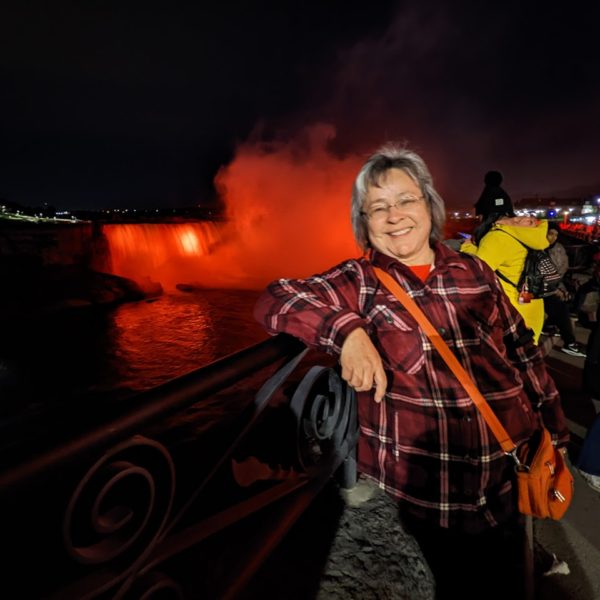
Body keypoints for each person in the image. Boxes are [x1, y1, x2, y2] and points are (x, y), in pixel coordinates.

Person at [254, 144, 568, 599]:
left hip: (508, 470)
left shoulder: (474, 270)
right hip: (434, 495)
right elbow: (275, 298)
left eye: (406, 200)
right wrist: (346, 331)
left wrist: (554, 433)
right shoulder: (359, 281)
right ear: (364, 223)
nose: (394, 215)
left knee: (510, 576)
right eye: (377, 207)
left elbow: (524, 353)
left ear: (429, 205)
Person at [461, 213, 549, 344]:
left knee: (510, 355)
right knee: (529, 351)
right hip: (531, 301)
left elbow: (478, 270)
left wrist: (468, 246)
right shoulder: (533, 236)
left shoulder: (499, 237)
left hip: (511, 309)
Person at [543, 222, 586, 357]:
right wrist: (556, 290)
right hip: (540, 289)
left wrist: (561, 288)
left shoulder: (559, 248)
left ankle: (549, 325)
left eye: (556, 234)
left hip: (553, 285)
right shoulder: (538, 250)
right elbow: (540, 275)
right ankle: (569, 343)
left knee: (566, 300)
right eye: (550, 233)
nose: (554, 237)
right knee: (561, 308)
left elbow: (562, 270)